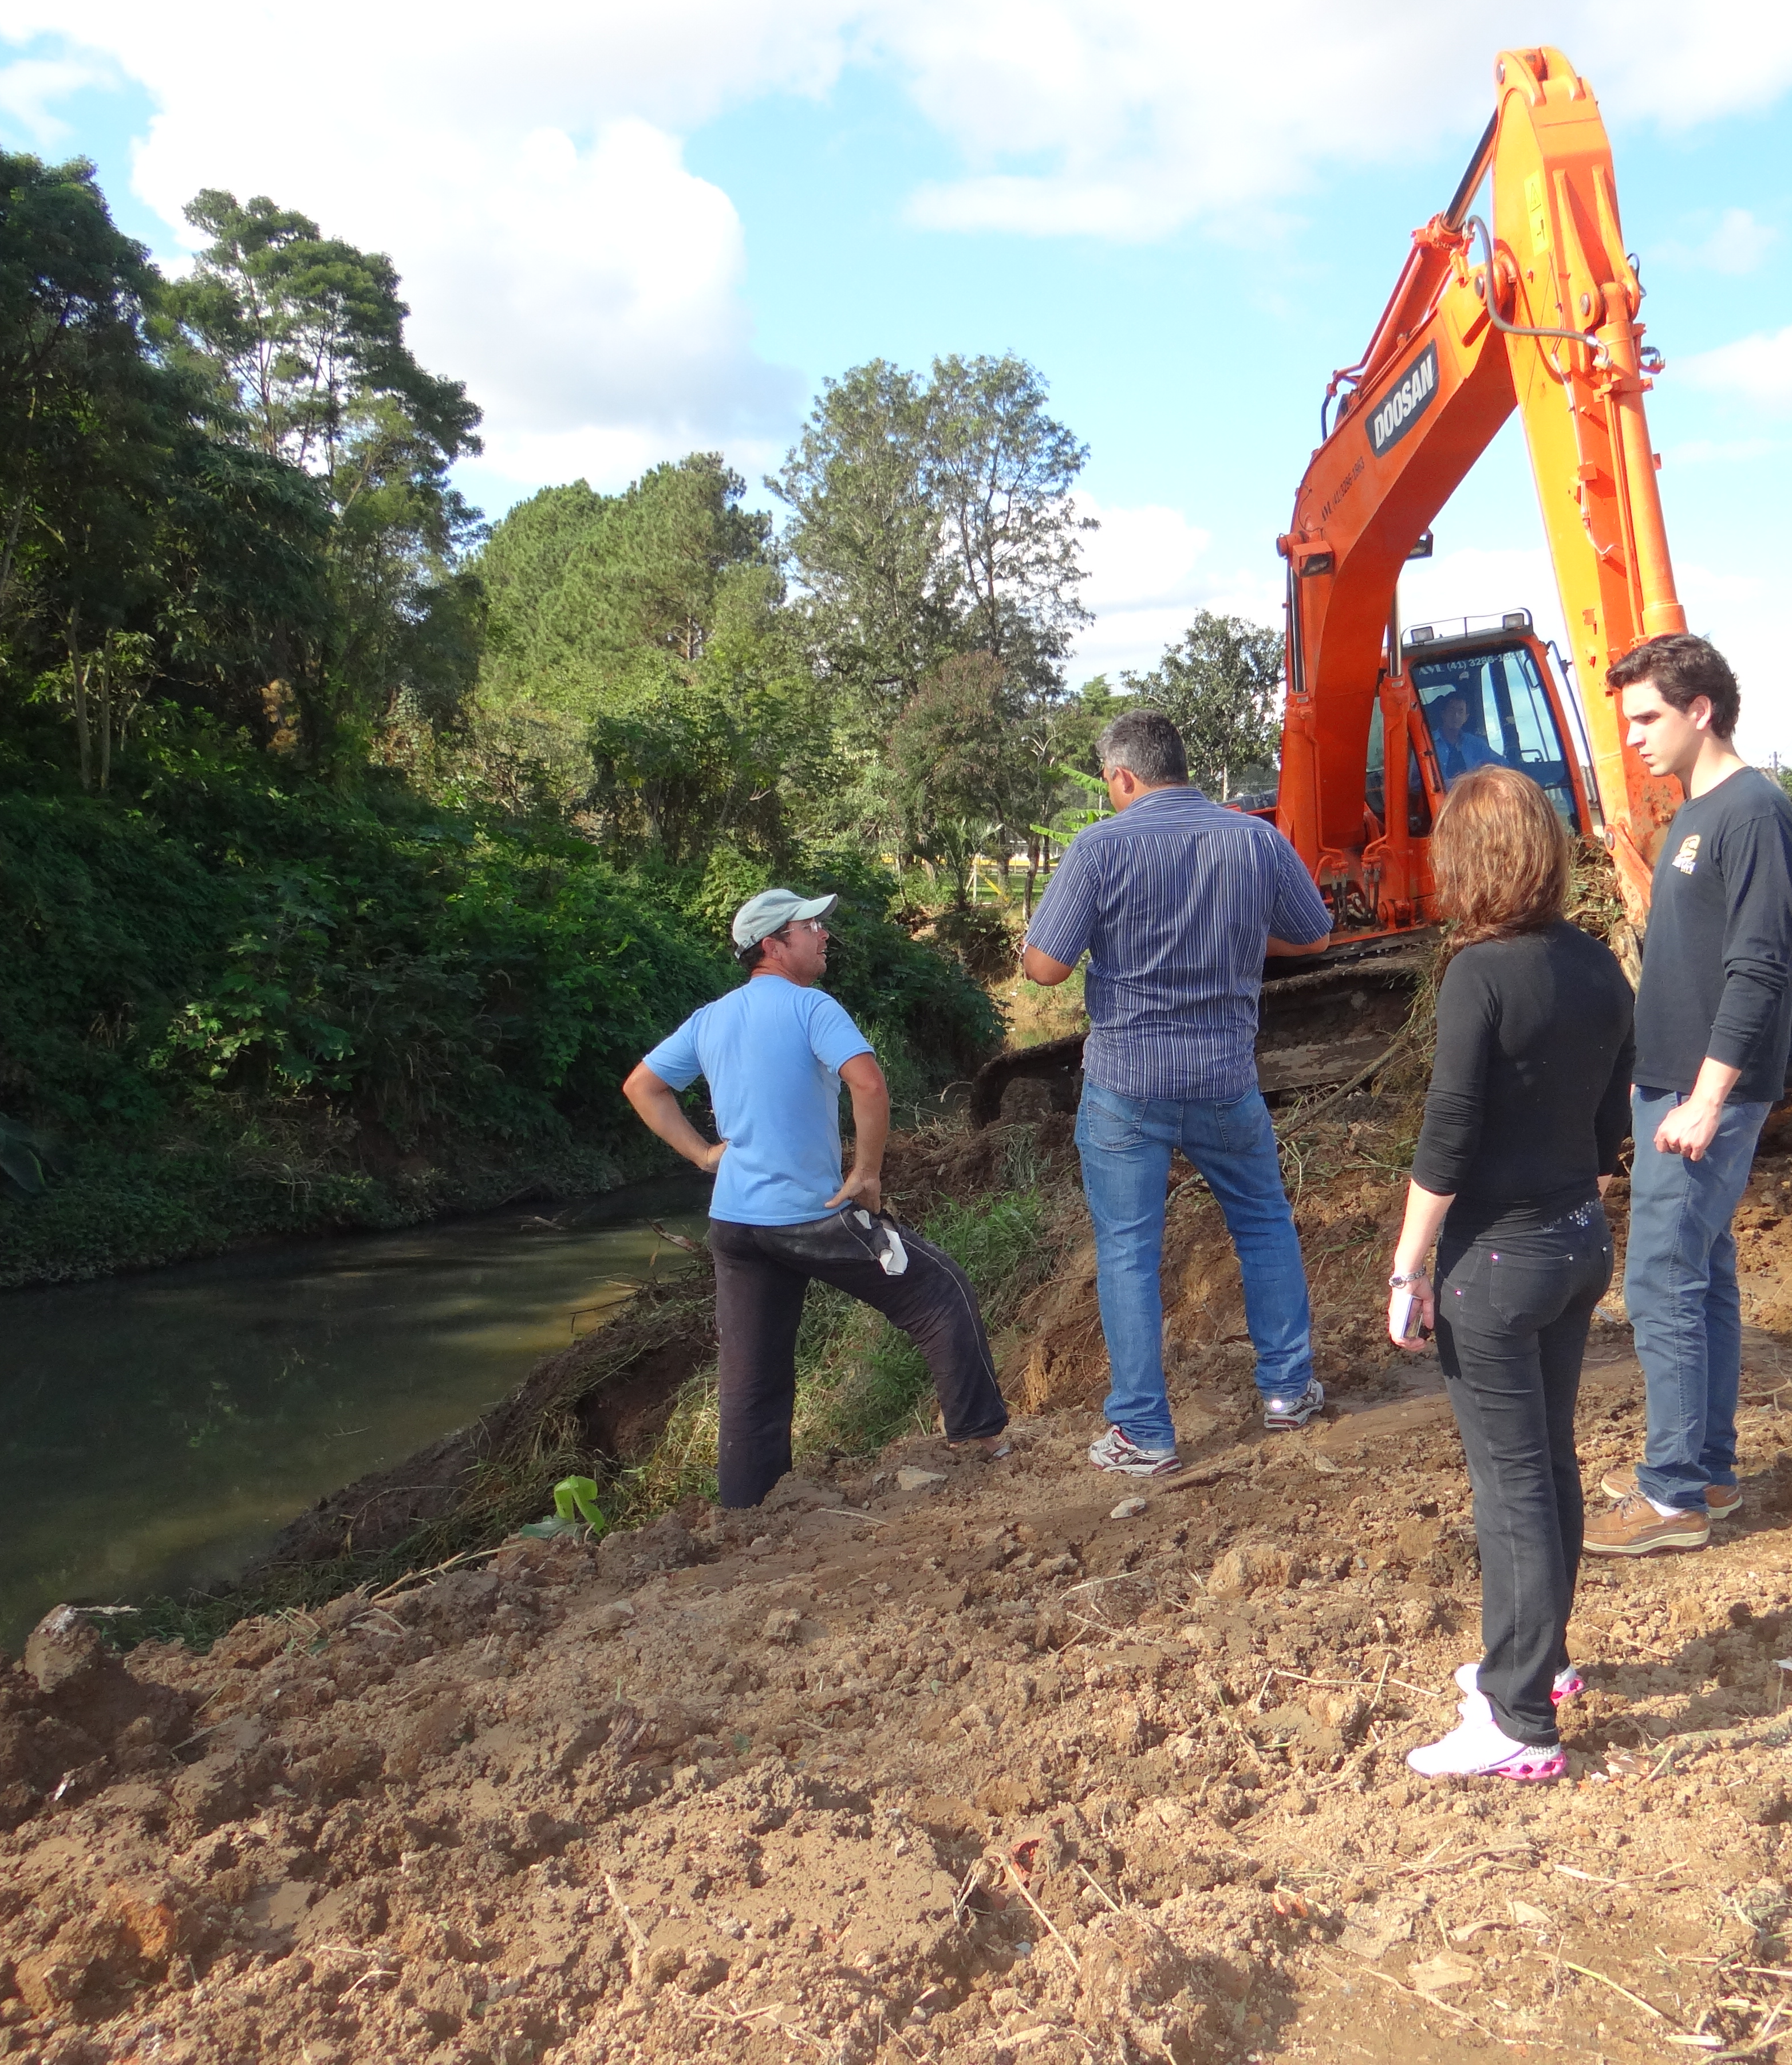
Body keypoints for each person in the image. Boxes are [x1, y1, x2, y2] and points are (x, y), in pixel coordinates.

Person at [1383, 766, 1635, 1780]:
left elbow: (1448, 1136)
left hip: (1496, 1263)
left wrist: (1408, 1267)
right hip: (1578, 1243)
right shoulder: (1597, 965)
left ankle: (1518, 1720)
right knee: (1552, 1461)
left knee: (1511, 1485)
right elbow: (1615, 1117)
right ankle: (1543, 1657)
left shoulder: (1478, 975)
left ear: (1465, 863)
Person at [1021, 709, 1336, 1476]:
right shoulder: (1254, 840)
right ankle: (1290, 1392)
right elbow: (1315, 936)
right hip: (1224, 1075)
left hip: (1127, 1084)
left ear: (1123, 776)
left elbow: (1046, 968)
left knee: (1129, 1251)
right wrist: (1230, 934)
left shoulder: (1099, 847)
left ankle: (1144, 1434)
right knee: (1262, 1223)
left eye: (1109, 782)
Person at [623, 886, 1008, 1508]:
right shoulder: (812, 1008)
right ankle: (981, 1439)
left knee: (751, 1377)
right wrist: (869, 1172)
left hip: (735, 1224)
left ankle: (749, 1509)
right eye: (812, 926)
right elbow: (869, 1084)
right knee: (942, 1292)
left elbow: (643, 1087)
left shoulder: (712, 1017)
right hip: (811, 1216)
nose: (825, 934)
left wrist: (702, 1156)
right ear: (774, 945)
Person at [1584, 633, 1792, 1558]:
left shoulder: (1751, 813)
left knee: (1660, 1277)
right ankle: (1706, 1466)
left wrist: (1707, 1098)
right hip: (1670, 1084)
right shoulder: (1696, 811)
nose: (1632, 735)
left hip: (1700, 1095)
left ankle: (1671, 1496)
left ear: (1699, 709)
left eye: (1646, 716)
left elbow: (1758, 968)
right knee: (1701, 1270)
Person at [1427, 689, 1502, 782]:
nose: (1456, 716)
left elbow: (1502, 766)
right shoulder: (1427, 743)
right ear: (1443, 714)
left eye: (1461, 712)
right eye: (1452, 710)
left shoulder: (1476, 745)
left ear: (1466, 718)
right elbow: (1413, 782)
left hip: (1472, 795)